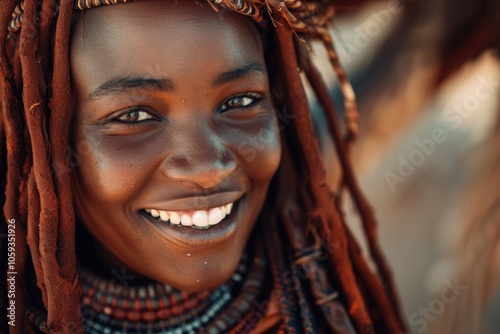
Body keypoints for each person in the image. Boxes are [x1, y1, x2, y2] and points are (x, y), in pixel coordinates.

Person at [0, 0, 406, 333]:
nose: (208, 168)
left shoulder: (319, 306)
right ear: (45, 138)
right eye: (136, 117)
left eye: (240, 103)